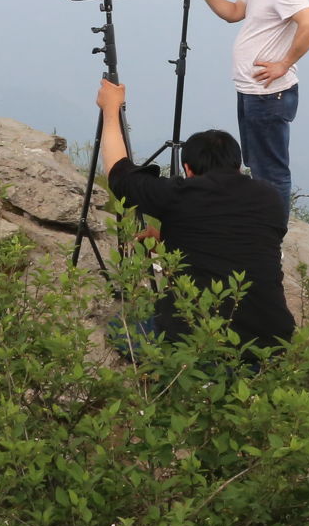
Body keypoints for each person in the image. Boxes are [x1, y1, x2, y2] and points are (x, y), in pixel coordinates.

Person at [95, 76, 296, 349]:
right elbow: (235, 242)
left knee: (120, 329)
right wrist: (167, 240)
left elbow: (119, 173)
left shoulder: (180, 195)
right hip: (270, 342)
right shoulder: (270, 198)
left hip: (197, 340)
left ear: (188, 169)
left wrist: (111, 109)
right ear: (237, 167)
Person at [180, 0, 309, 206]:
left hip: (269, 94)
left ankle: (273, 232)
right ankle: (260, 222)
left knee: (271, 172)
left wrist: (284, 63)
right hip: (252, 91)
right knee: (257, 166)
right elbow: (233, 13)